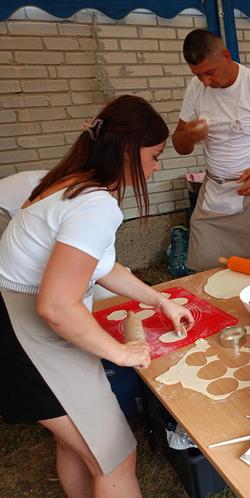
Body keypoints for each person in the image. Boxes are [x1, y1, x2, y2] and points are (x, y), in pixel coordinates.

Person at [0, 95, 195, 498]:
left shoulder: (68, 182)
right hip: (26, 338)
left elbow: (103, 267)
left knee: (79, 445)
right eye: (155, 156)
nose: (157, 167)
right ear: (127, 152)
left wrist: (161, 301)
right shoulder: (95, 203)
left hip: (19, 326)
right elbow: (55, 305)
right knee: (114, 456)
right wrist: (120, 352)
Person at [173, 29, 250, 271]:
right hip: (214, 191)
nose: (205, 82)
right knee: (204, 268)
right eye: (198, 75)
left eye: (209, 73)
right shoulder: (196, 88)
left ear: (226, 55)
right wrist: (188, 136)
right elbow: (180, 146)